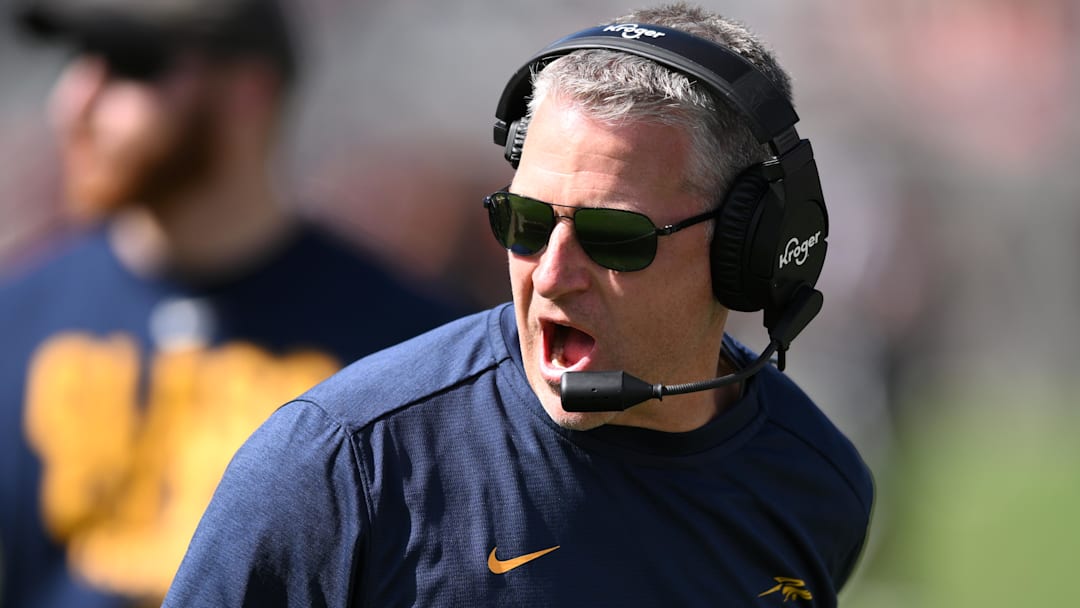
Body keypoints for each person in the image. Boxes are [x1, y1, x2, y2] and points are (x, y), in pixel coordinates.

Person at [165, 3, 875, 606]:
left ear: (747, 249)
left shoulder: (816, 483)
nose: (553, 274)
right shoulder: (341, 464)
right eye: (525, 223)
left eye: (613, 236)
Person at [0, 0, 468, 606]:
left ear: (248, 92)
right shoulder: (18, 314)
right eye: (77, 63)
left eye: (130, 65)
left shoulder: (412, 351)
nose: (73, 104)